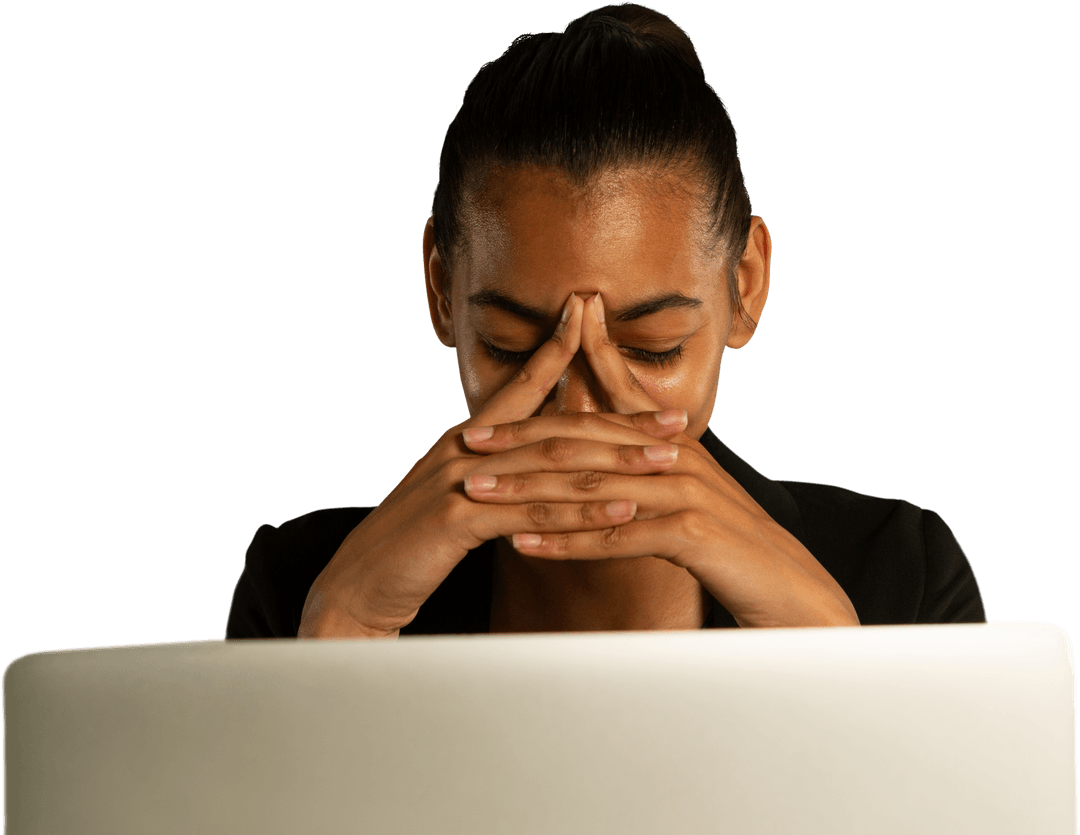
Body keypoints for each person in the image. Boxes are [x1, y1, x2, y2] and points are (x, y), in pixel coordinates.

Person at [225, 2, 986, 640]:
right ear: (440, 290)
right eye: (513, 348)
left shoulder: (901, 578)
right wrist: (337, 639)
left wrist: (836, 661)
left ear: (745, 286)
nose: (581, 409)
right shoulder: (301, 586)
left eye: (652, 348)